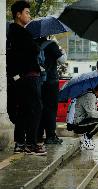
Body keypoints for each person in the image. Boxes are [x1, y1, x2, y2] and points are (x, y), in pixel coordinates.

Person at [6, 1, 46, 155]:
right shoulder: (21, 33)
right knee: (35, 109)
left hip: (20, 77)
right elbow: (34, 50)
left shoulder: (12, 32)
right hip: (29, 76)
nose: (29, 15)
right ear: (18, 14)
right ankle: (31, 143)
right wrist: (35, 45)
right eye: (27, 12)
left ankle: (20, 143)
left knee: (23, 110)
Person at [36, 36, 67, 145]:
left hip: (38, 81)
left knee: (40, 108)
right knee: (51, 109)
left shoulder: (35, 44)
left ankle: (38, 135)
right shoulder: (51, 44)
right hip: (51, 81)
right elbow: (63, 60)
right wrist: (62, 51)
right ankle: (50, 136)